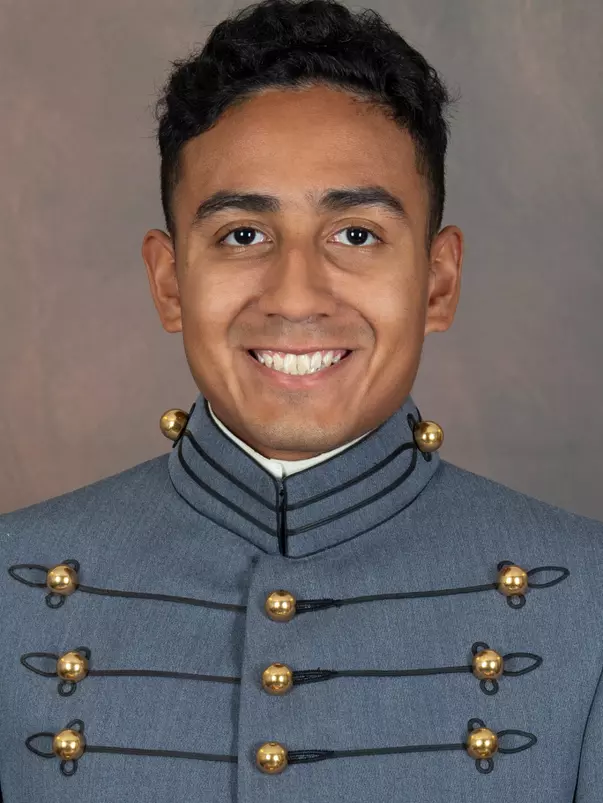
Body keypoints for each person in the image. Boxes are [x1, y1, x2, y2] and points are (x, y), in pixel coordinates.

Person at [1, 0, 601, 800]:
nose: (294, 295)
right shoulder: (10, 585)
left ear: (437, 280)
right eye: (242, 235)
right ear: (169, 281)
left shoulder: (588, 598)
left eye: (355, 234)